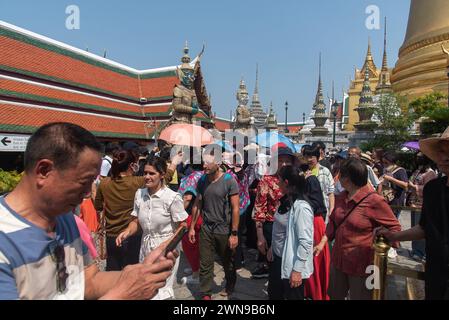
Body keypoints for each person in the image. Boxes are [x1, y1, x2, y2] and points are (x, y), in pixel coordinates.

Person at [0, 122, 177, 300]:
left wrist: (140, 274)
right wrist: (122, 294)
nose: (87, 193)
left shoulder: (65, 220)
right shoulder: (4, 238)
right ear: (44, 171)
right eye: (83, 182)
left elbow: (89, 281)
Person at [377, 126, 449, 299]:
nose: (445, 157)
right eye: (442, 152)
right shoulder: (433, 189)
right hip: (436, 272)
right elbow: (425, 228)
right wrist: (393, 236)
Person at [321, 158, 401, 300]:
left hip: (363, 266)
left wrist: (383, 239)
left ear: (346, 179)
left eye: (340, 175)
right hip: (339, 261)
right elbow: (333, 221)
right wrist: (323, 241)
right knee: (334, 295)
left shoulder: (374, 201)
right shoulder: (341, 197)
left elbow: (395, 228)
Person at [116, 156, 188, 300]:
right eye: (145, 173)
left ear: (162, 174)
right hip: (145, 246)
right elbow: (135, 221)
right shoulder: (140, 194)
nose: (147, 177)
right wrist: (127, 232)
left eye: (151, 173)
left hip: (167, 249)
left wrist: (166, 246)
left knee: (161, 290)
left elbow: (183, 225)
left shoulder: (172, 197)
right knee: (146, 287)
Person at [188, 151, 240, 300]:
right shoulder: (202, 180)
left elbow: (235, 208)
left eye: (208, 162)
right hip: (206, 228)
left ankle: (230, 284)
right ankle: (206, 292)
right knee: (205, 262)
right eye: (203, 162)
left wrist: (234, 234)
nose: (204, 165)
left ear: (217, 163)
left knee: (227, 262)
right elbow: (197, 203)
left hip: (224, 229)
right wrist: (192, 227)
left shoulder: (229, 180)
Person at [267, 165, 314, 300]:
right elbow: (280, 229)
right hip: (278, 260)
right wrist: (273, 247)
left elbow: (305, 242)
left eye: (279, 180)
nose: (277, 182)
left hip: (292, 265)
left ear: (286, 183)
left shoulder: (301, 207)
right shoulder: (286, 201)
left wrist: (297, 270)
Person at [94, 150, 144, 271]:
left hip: (112, 234)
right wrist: (173, 164)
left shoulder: (104, 183)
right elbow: (162, 178)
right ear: (132, 165)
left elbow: (98, 206)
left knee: (113, 271)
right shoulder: (138, 182)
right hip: (133, 234)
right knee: (132, 271)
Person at [251, 147, 292, 279]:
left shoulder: (295, 180)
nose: (284, 164)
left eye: (287, 161)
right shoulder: (266, 181)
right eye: (281, 161)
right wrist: (260, 236)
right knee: (275, 263)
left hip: (292, 226)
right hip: (272, 226)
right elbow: (259, 209)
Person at [178, 160, 204, 285]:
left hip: (192, 216)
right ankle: (196, 268)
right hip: (202, 214)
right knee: (197, 245)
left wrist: (178, 213)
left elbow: (187, 197)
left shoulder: (192, 178)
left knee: (190, 245)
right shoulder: (205, 175)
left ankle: (196, 274)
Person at [303, 145, 335, 224]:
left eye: (311, 157)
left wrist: (331, 210)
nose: (309, 159)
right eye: (306, 157)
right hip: (306, 213)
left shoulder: (325, 171)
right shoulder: (301, 172)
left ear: (317, 157)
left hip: (322, 213)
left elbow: (331, 193)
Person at [380, 151, 408, 218]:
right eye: (383, 162)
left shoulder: (400, 170)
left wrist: (391, 179)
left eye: (386, 162)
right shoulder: (386, 170)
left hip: (396, 201)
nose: (384, 165)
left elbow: (405, 185)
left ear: (392, 161)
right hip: (387, 200)